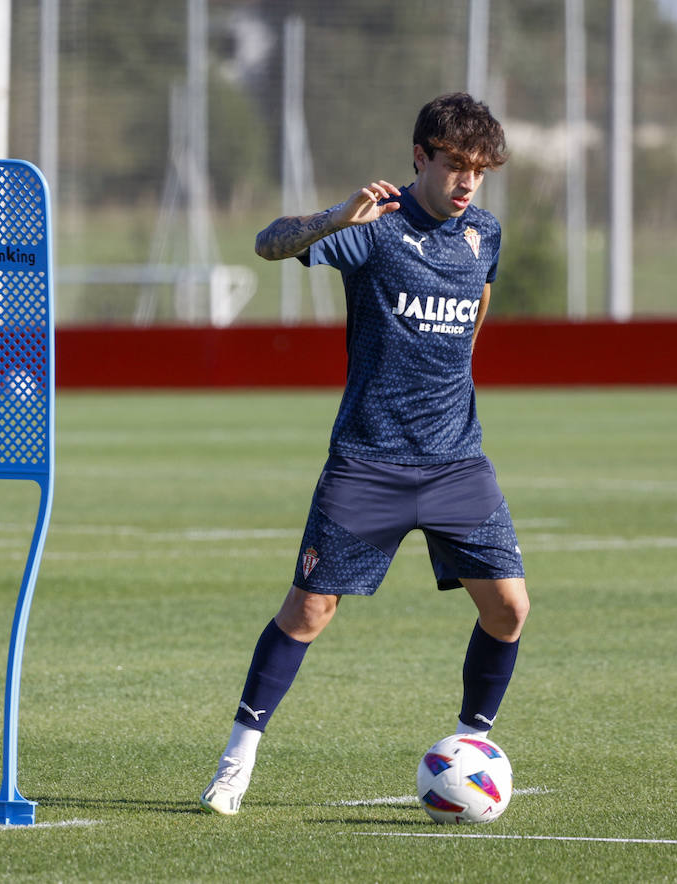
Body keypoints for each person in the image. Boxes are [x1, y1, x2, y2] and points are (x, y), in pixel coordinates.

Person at [200, 93, 529, 815]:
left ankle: (471, 747)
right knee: (309, 611)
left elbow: (473, 326)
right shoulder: (373, 228)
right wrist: (333, 219)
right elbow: (266, 241)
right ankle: (236, 760)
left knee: (509, 609)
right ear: (420, 156)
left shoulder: (485, 235)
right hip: (368, 463)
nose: (467, 181)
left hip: (454, 462)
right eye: (454, 165)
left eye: (479, 169)